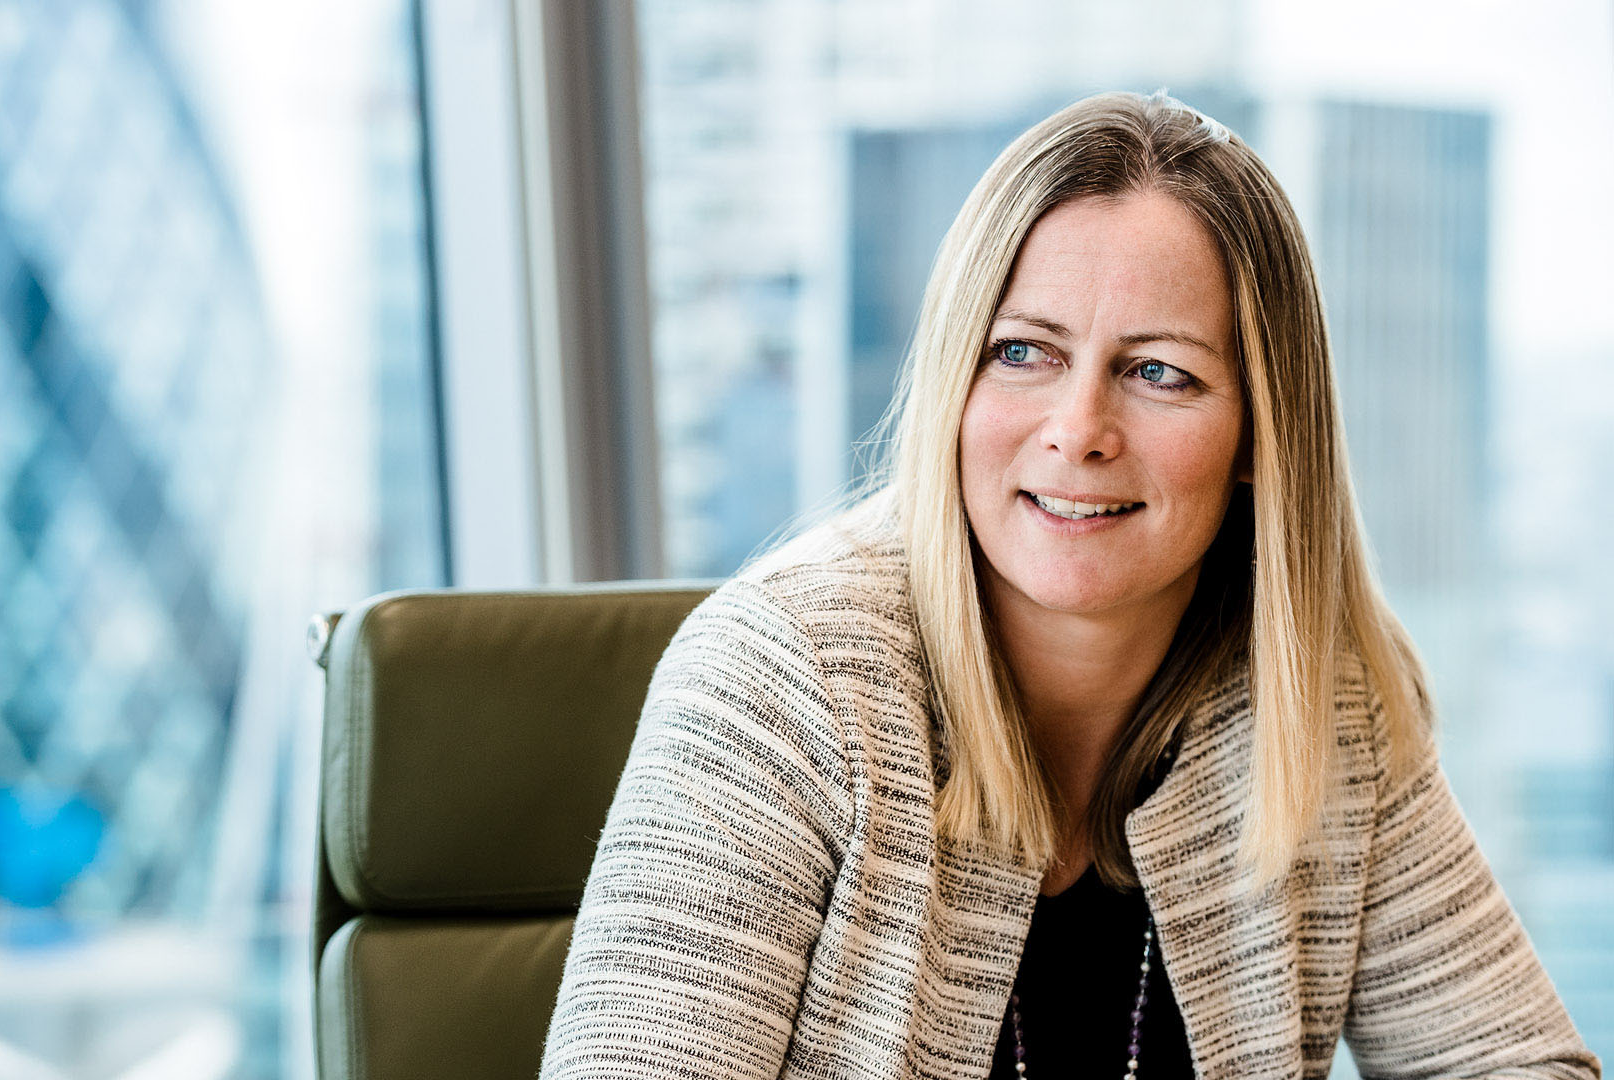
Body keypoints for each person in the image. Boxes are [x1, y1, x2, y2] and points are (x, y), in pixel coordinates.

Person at [539, 91, 1599, 1079]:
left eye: (1159, 373)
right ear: (956, 378)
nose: (1078, 432)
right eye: (1022, 353)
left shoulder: (1320, 705)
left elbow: (1522, 1063)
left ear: (1258, 436)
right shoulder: (783, 684)